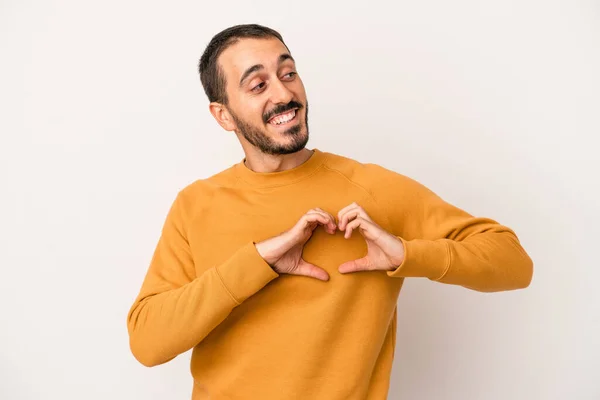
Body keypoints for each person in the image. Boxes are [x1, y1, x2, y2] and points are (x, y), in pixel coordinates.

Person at [126, 24, 533, 400]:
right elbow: (147, 342)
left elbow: (514, 262)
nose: (284, 95)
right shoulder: (196, 204)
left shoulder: (372, 190)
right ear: (224, 115)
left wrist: (407, 255)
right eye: (257, 84)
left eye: (289, 74)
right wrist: (256, 262)